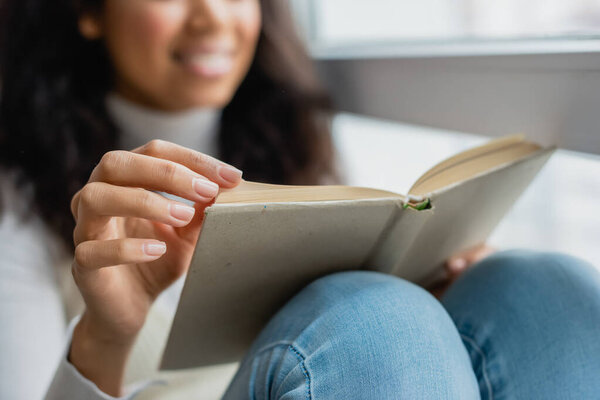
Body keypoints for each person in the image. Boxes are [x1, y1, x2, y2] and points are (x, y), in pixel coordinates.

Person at [0, 0, 599, 399]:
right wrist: (107, 335)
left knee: (541, 285)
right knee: (374, 315)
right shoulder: (24, 205)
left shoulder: (294, 147)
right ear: (88, 11)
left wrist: (431, 285)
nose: (212, 17)